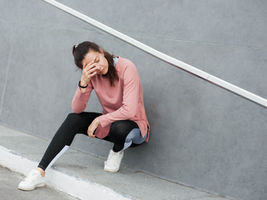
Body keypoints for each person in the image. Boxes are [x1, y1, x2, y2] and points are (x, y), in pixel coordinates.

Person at [17, 41, 151, 191]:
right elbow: (77, 108)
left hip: (134, 128)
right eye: (91, 66)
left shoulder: (127, 67)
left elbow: (130, 110)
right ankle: (39, 172)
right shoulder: (93, 75)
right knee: (73, 119)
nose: (98, 67)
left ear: (101, 51)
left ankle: (117, 150)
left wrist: (100, 119)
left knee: (119, 129)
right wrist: (84, 83)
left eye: (97, 60)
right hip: (110, 125)